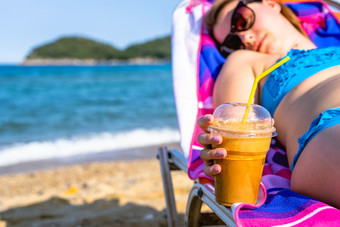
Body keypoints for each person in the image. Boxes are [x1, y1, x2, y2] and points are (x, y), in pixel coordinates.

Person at [197, 0, 340, 209]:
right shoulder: (246, 60)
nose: (245, 38)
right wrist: (221, 149)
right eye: (232, 43)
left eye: (241, 20)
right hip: (330, 125)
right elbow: (236, 130)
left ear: (271, 4)